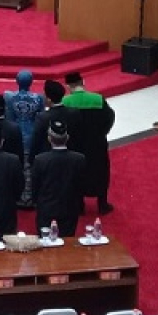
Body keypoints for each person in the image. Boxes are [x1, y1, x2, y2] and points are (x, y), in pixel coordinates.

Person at [62, 71, 115, 214]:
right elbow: (110, 117)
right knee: (100, 171)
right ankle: (102, 205)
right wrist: (102, 133)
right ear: (83, 83)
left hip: (75, 145)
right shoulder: (98, 99)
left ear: (68, 86)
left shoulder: (66, 102)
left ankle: (79, 206)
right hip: (96, 143)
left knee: (77, 173)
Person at [31, 118, 86, 236]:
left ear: (49, 138)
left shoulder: (40, 160)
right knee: (67, 241)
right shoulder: (79, 159)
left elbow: (35, 186)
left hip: (46, 209)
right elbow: (81, 185)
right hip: (69, 208)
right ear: (67, 138)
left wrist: (37, 202)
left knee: (45, 241)